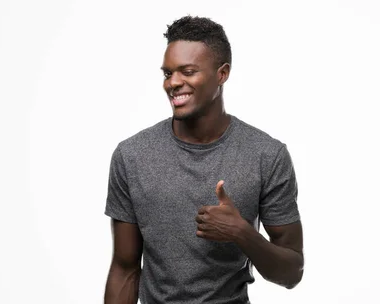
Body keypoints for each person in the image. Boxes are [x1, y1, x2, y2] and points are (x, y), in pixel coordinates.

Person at [103, 15, 304, 304]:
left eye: (187, 71)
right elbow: (124, 269)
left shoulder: (266, 155)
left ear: (222, 74)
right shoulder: (132, 155)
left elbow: (291, 273)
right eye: (167, 73)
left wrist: (242, 233)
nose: (173, 83)